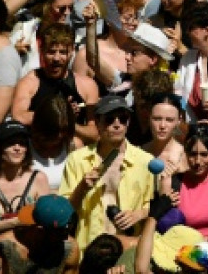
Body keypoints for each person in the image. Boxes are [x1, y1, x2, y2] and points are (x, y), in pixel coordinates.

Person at [58, 94, 153, 250]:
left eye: (122, 119)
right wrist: (81, 188)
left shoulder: (145, 161)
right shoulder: (77, 160)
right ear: (97, 123)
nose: (117, 125)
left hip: (129, 248)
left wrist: (138, 214)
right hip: (89, 247)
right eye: (109, 119)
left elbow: (157, 208)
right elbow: (64, 212)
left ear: (128, 122)